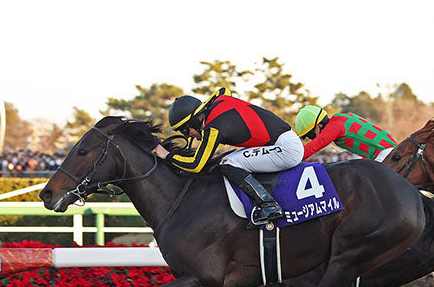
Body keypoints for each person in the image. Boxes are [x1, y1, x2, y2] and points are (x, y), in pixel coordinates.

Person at [152, 88, 304, 225]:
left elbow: (196, 165)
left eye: (185, 131)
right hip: (283, 141)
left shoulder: (213, 128)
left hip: (286, 149)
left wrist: (167, 155)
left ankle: (269, 205)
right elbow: (224, 90)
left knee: (227, 163)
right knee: (225, 159)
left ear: (193, 121)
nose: (190, 136)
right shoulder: (219, 100)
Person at [294, 105, 397, 162]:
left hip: (384, 154)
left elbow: (312, 147)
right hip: (386, 149)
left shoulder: (334, 127)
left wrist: (289, 159)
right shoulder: (340, 118)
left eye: (310, 135)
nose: (311, 139)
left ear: (318, 125)